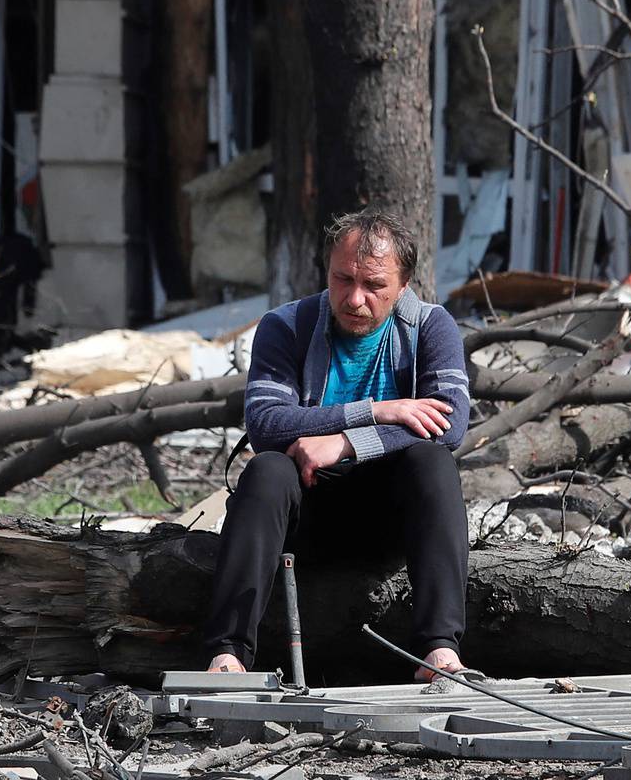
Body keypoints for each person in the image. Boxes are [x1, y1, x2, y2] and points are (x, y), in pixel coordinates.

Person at [199, 210, 471, 681]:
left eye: (374, 285)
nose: (355, 298)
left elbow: (449, 423)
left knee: (432, 459)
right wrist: (375, 411)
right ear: (327, 271)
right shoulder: (287, 326)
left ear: (404, 285)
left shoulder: (432, 327)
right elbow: (265, 424)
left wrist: (344, 443)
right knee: (266, 470)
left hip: (392, 520)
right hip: (306, 518)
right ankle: (228, 652)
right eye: (343, 279)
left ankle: (439, 652)